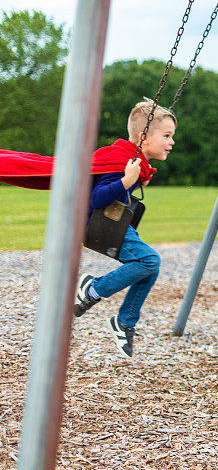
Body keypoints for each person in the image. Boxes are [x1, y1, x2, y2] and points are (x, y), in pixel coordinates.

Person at [73, 100, 176, 358]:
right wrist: (127, 180)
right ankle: (92, 289)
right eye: (166, 136)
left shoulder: (132, 160)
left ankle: (124, 322)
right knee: (150, 260)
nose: (171, 142)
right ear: (144, 136)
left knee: (149, 269)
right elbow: (97, 199)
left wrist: (131, 180)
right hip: (98, 224)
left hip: (112, 224)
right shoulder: (124, 161)